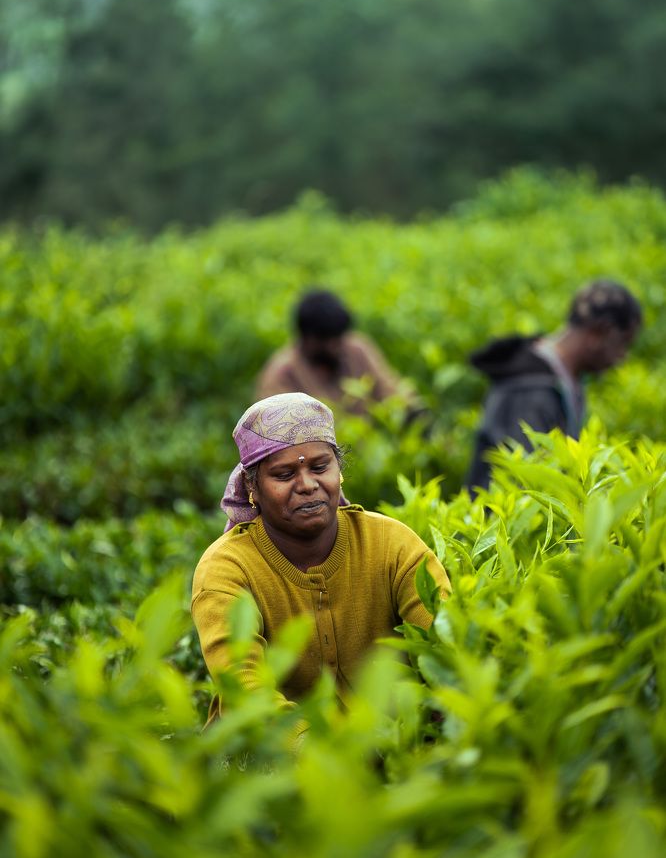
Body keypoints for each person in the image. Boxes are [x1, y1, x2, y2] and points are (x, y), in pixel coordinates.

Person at [192, 392, 450, 739]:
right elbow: (244, 688)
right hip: (273, 757)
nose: (308, 485)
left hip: (391, 742)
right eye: (284, 474)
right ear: (252, 487)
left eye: (319, 467)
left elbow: (446, 646)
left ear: (339, 472)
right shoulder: (226, 568)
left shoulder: (392, 544)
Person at [466, 279, 642, 492]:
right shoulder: (530, 390)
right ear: (599, 332)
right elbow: (523, 482)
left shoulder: (565, 379)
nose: (622, 357)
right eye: (623, 343)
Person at [255, 290, 409, 415]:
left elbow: (391, 391)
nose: (334, 346)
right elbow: (275, 431)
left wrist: (411, 410)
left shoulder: (356, 349)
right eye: (326, 339)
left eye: (338, 337)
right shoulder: (282, 373)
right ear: (306, 337)